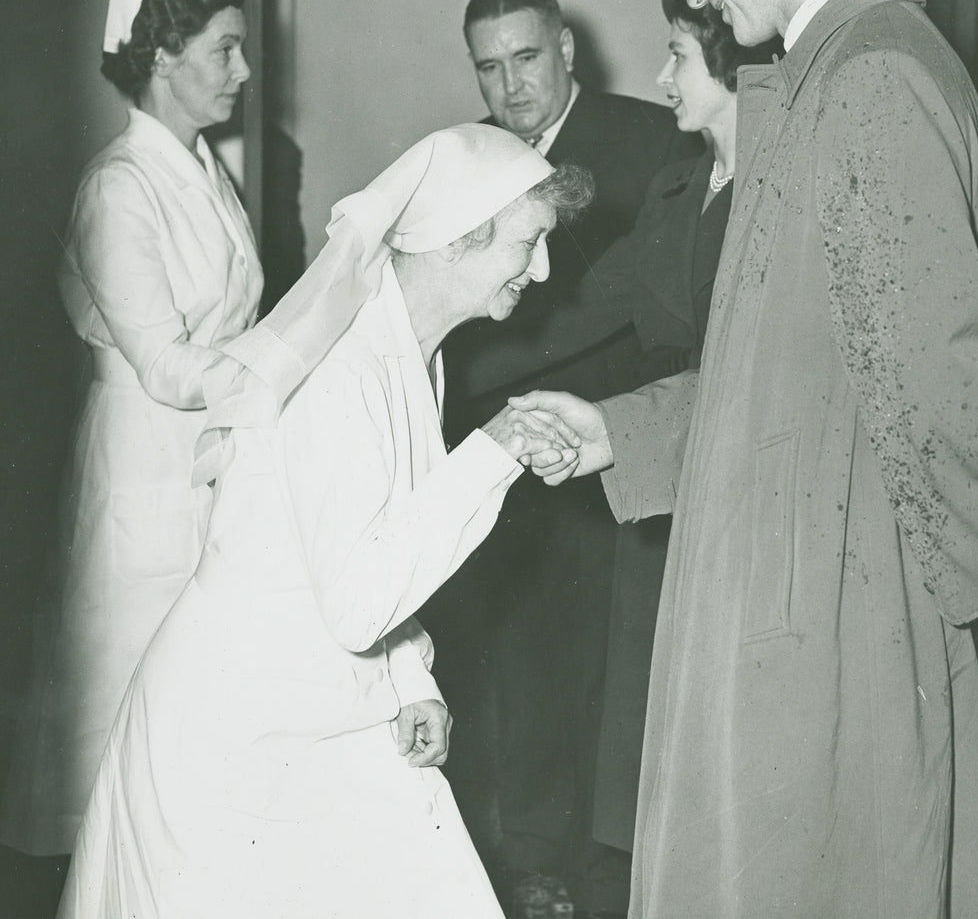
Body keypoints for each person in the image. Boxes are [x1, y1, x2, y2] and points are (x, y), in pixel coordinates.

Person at [512, 0, 978, 917]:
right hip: (787, 573)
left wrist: (967, 577)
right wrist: (618, 429)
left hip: (840, 601)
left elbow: (937, 384)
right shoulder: (820, 73)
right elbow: (782, 367)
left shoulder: (872, 78)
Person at [59, 124, 593, 917]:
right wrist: (491, 455)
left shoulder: (415, 352)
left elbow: (380, 538)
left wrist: (412, 676)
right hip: (236, 739)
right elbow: (354, 604)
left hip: (323, 711)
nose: (542, 270)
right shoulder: (339, 366)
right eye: (529, 242)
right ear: (455, 239)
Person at [449, 0, 779, 885]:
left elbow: (604, 321)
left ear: (562, 49)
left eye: (677, 58)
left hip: (665, 460)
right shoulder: (682, 181)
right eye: (489, 67)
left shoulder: (659, 152)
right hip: (584, 446)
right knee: (558, 676)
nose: (511, 85)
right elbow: (598, 296)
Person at [1, 0, 261, 857]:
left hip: (212, 461)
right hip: (146, 467)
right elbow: (161, 363)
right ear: (162, 54)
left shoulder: (203, 171)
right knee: (126, 724)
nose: (243, 70)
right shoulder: (119, 185)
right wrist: (282, 368)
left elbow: (236, 321)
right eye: (225, 49)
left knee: (202, 722)